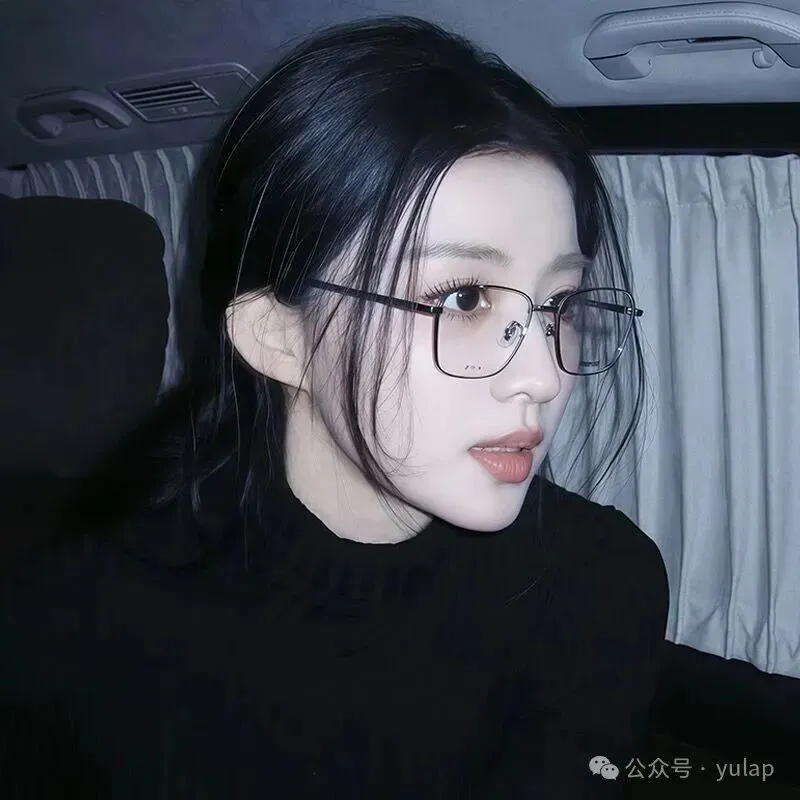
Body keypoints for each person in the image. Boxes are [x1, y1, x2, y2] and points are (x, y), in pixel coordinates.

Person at [0, 15, 669, 799]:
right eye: (463, 299)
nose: (545, 376)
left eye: (560, 303)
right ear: (279, 338)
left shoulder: (600, 585)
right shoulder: (76, 614)